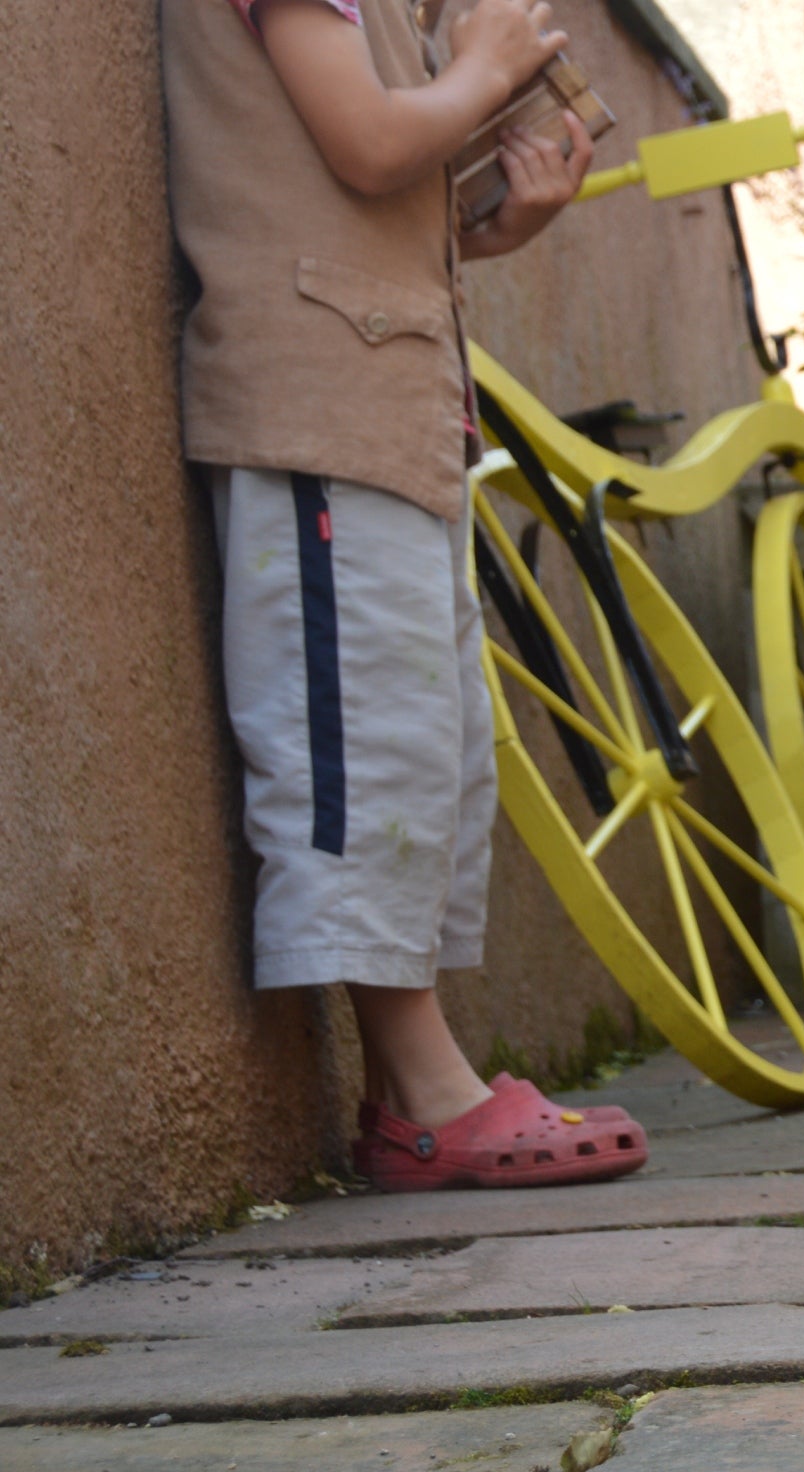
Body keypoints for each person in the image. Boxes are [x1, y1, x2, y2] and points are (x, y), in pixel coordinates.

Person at [165, 0, 647, 1186]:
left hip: (392, 413)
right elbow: (371, 144)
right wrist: (482, 72)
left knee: (424, 749)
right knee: (356, 748)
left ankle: (410, 1095)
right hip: (315, 409)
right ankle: (430, 1089)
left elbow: (372, 189)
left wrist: (503, 219)